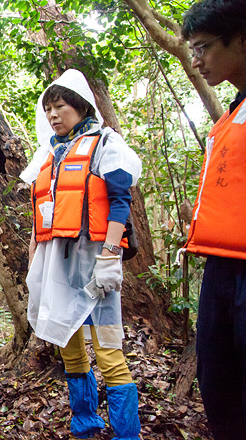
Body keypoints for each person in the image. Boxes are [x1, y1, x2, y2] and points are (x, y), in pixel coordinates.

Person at [20, 69, 142, 440]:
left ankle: (125, 434)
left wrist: (109, 256)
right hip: (55, 261)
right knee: (68, 345)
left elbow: (120, 202)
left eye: (60, 107)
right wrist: (32, 263)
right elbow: (40, 216)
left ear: (80, 106)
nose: (53, 115)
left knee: (108, 349)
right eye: (48, 110)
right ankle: (85, 424)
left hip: (95, 259)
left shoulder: (106, 142)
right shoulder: (48, 155)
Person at [180, 2, 246, 438]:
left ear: (240, 38)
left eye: (203, 47)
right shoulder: (231, 115)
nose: (196, 60)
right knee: (220, 381)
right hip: (221, 267)